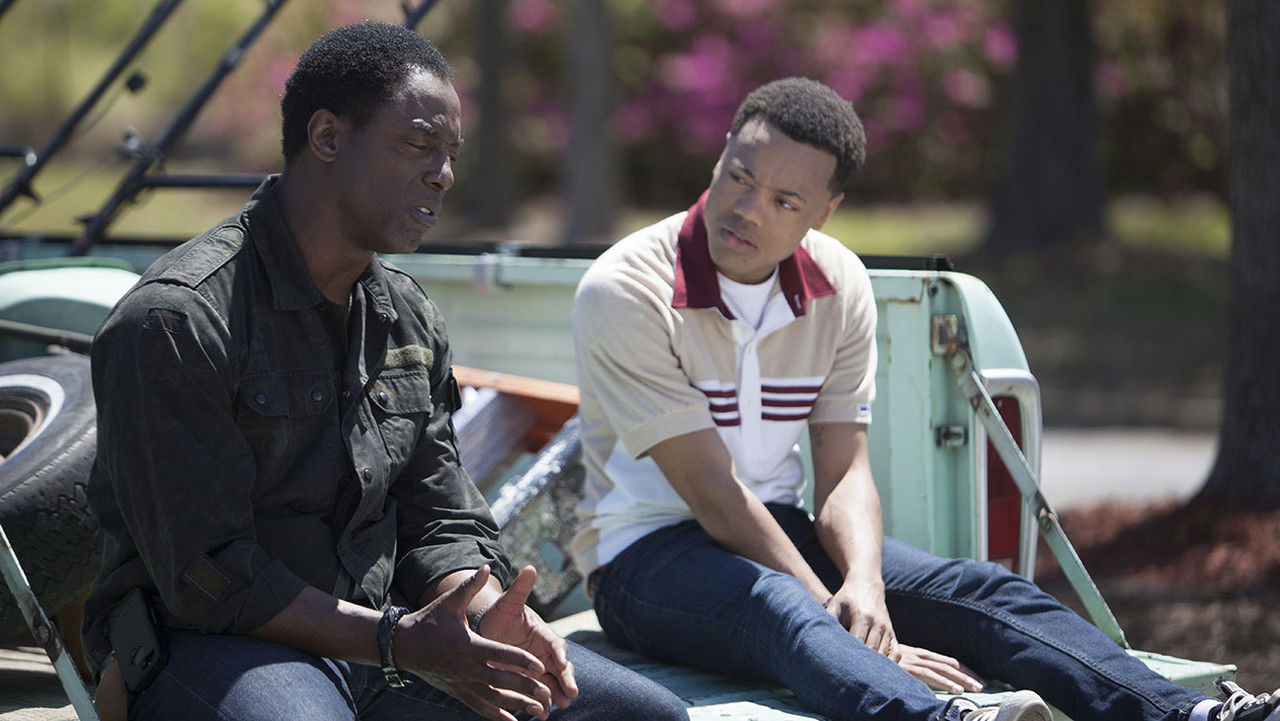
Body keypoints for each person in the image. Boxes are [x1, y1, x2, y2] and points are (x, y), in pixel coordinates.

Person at [570, 77, 1280, 721]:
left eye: (785, 201)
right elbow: (714, 494)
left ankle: (1190, 714)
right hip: (643, 558)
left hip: (777, 530)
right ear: (722, 152)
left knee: (981, 590)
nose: (748, 209)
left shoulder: (841, 282)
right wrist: (856, 635)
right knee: (778, 605)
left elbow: (844, 469)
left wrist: (866, 586)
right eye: (740, 176)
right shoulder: (625, 286)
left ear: (825, 211)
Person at [83, 22, 688, 721]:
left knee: (642, 715)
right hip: (211, 646)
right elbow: (210, 577)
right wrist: (399, 642)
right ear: (327, 137)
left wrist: (480, 612)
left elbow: (440, 514)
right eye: (419, 145)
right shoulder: (177, 319)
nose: (443, 174)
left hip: (380, 637)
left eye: (451, 154)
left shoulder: (407, 317)